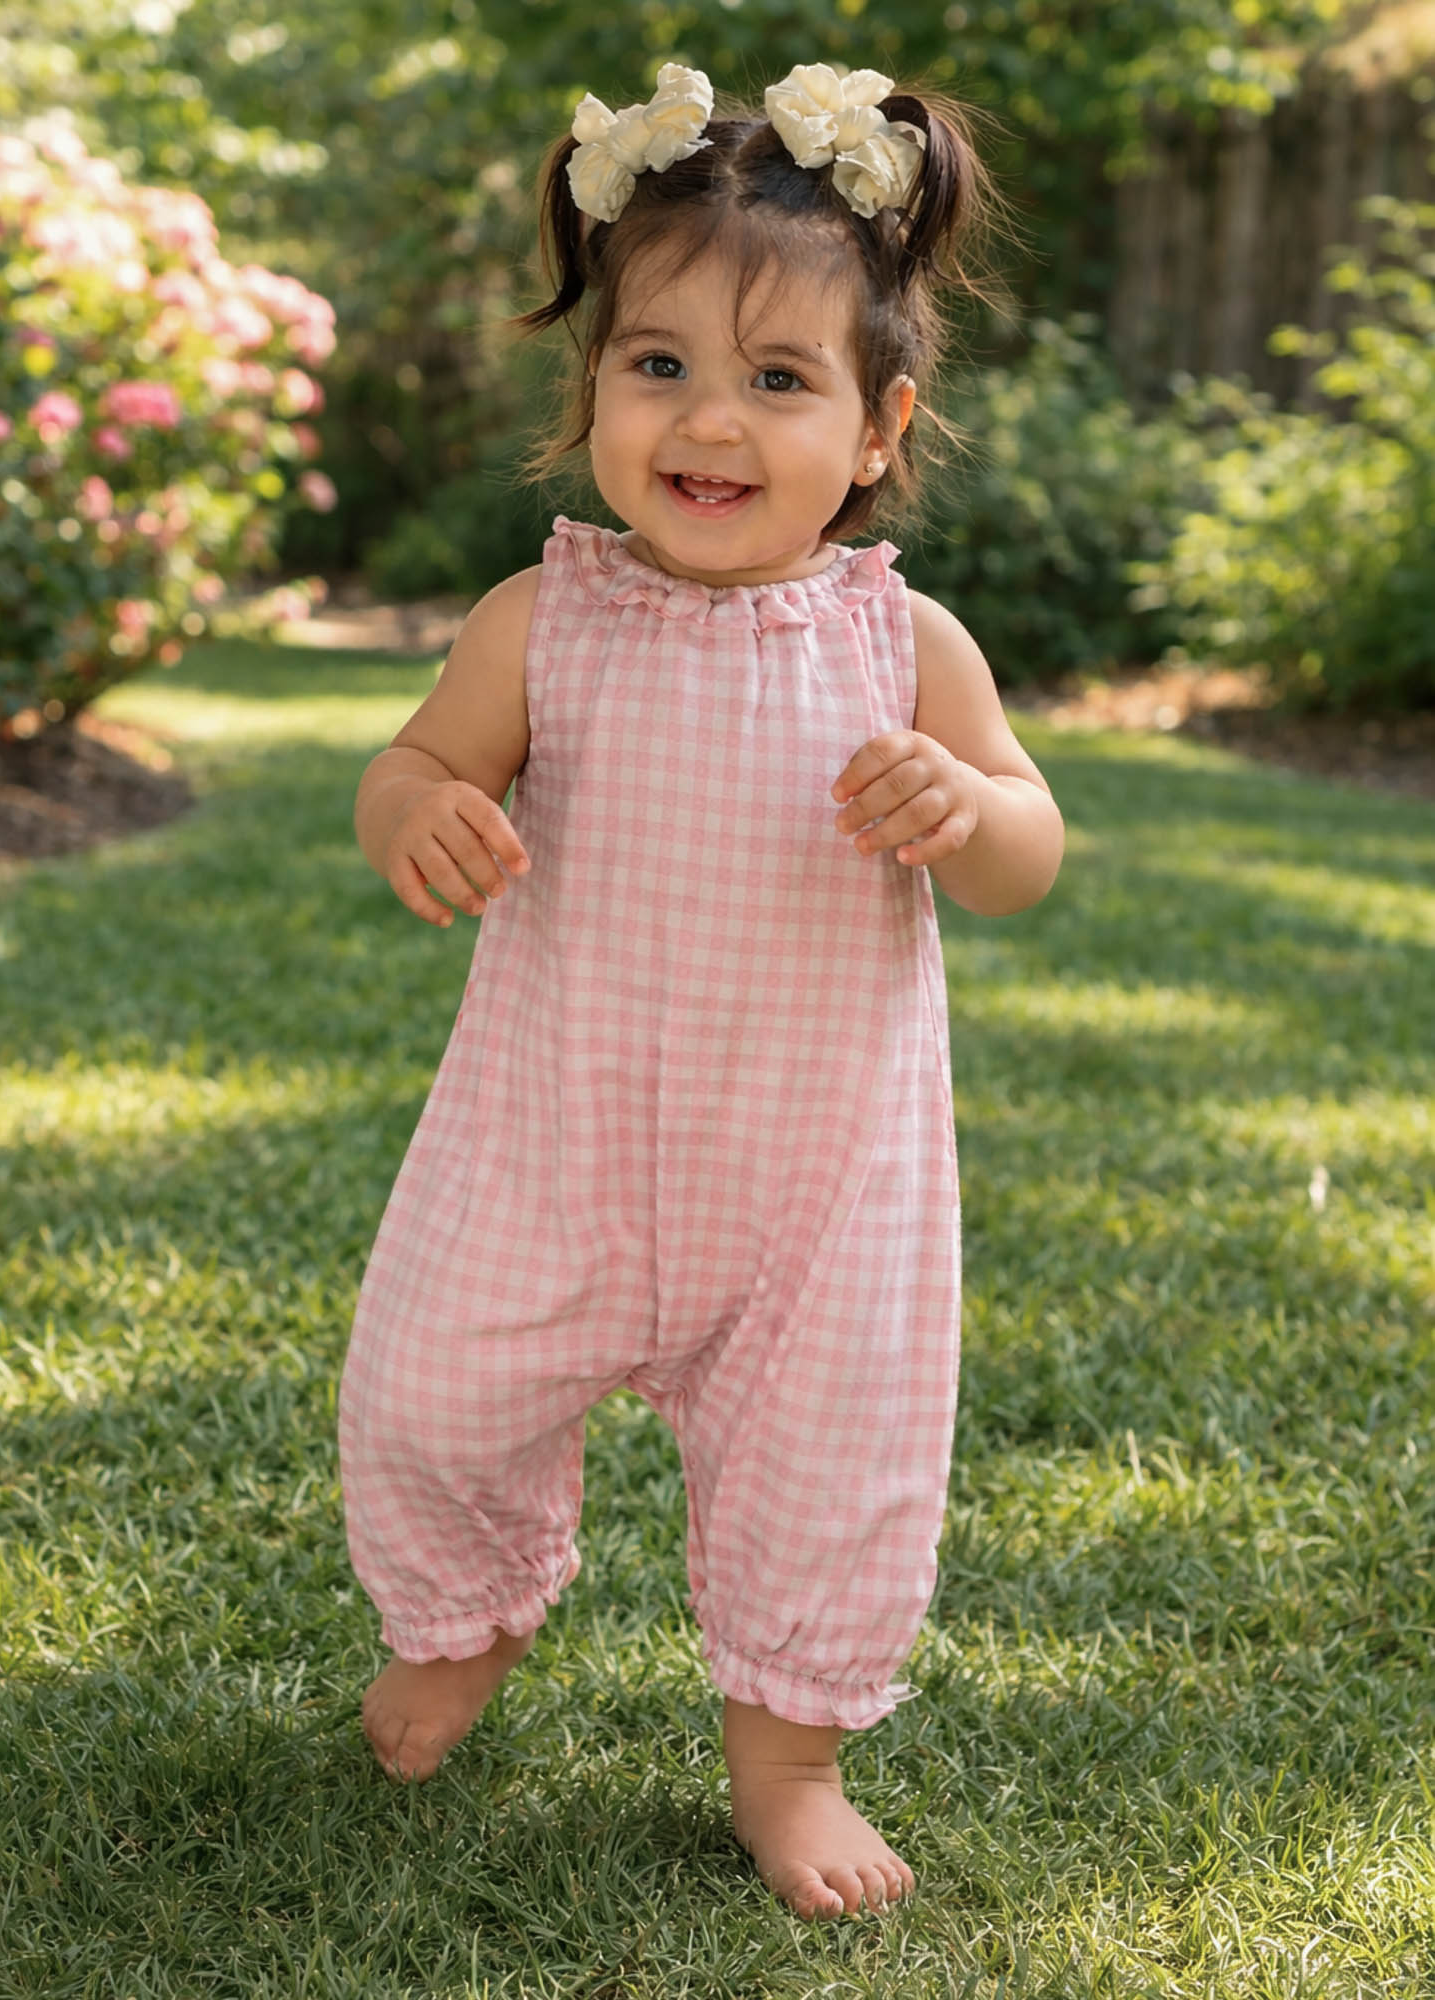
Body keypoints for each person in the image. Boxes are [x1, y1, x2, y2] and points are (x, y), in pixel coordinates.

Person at [339, 59, 1065, 1922]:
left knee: (824, 1472)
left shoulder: (902, 643)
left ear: (878, 425)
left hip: (814, 1189)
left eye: (778, 378)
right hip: (551, 1140)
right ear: (590, 391)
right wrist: (421, 809)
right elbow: (413, 766)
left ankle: (788, 1768)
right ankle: (468, 1617)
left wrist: (965, 802)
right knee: (427, 1391)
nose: (709, 419)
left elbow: (1029, 854)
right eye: (656, 364)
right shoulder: (541, 617)